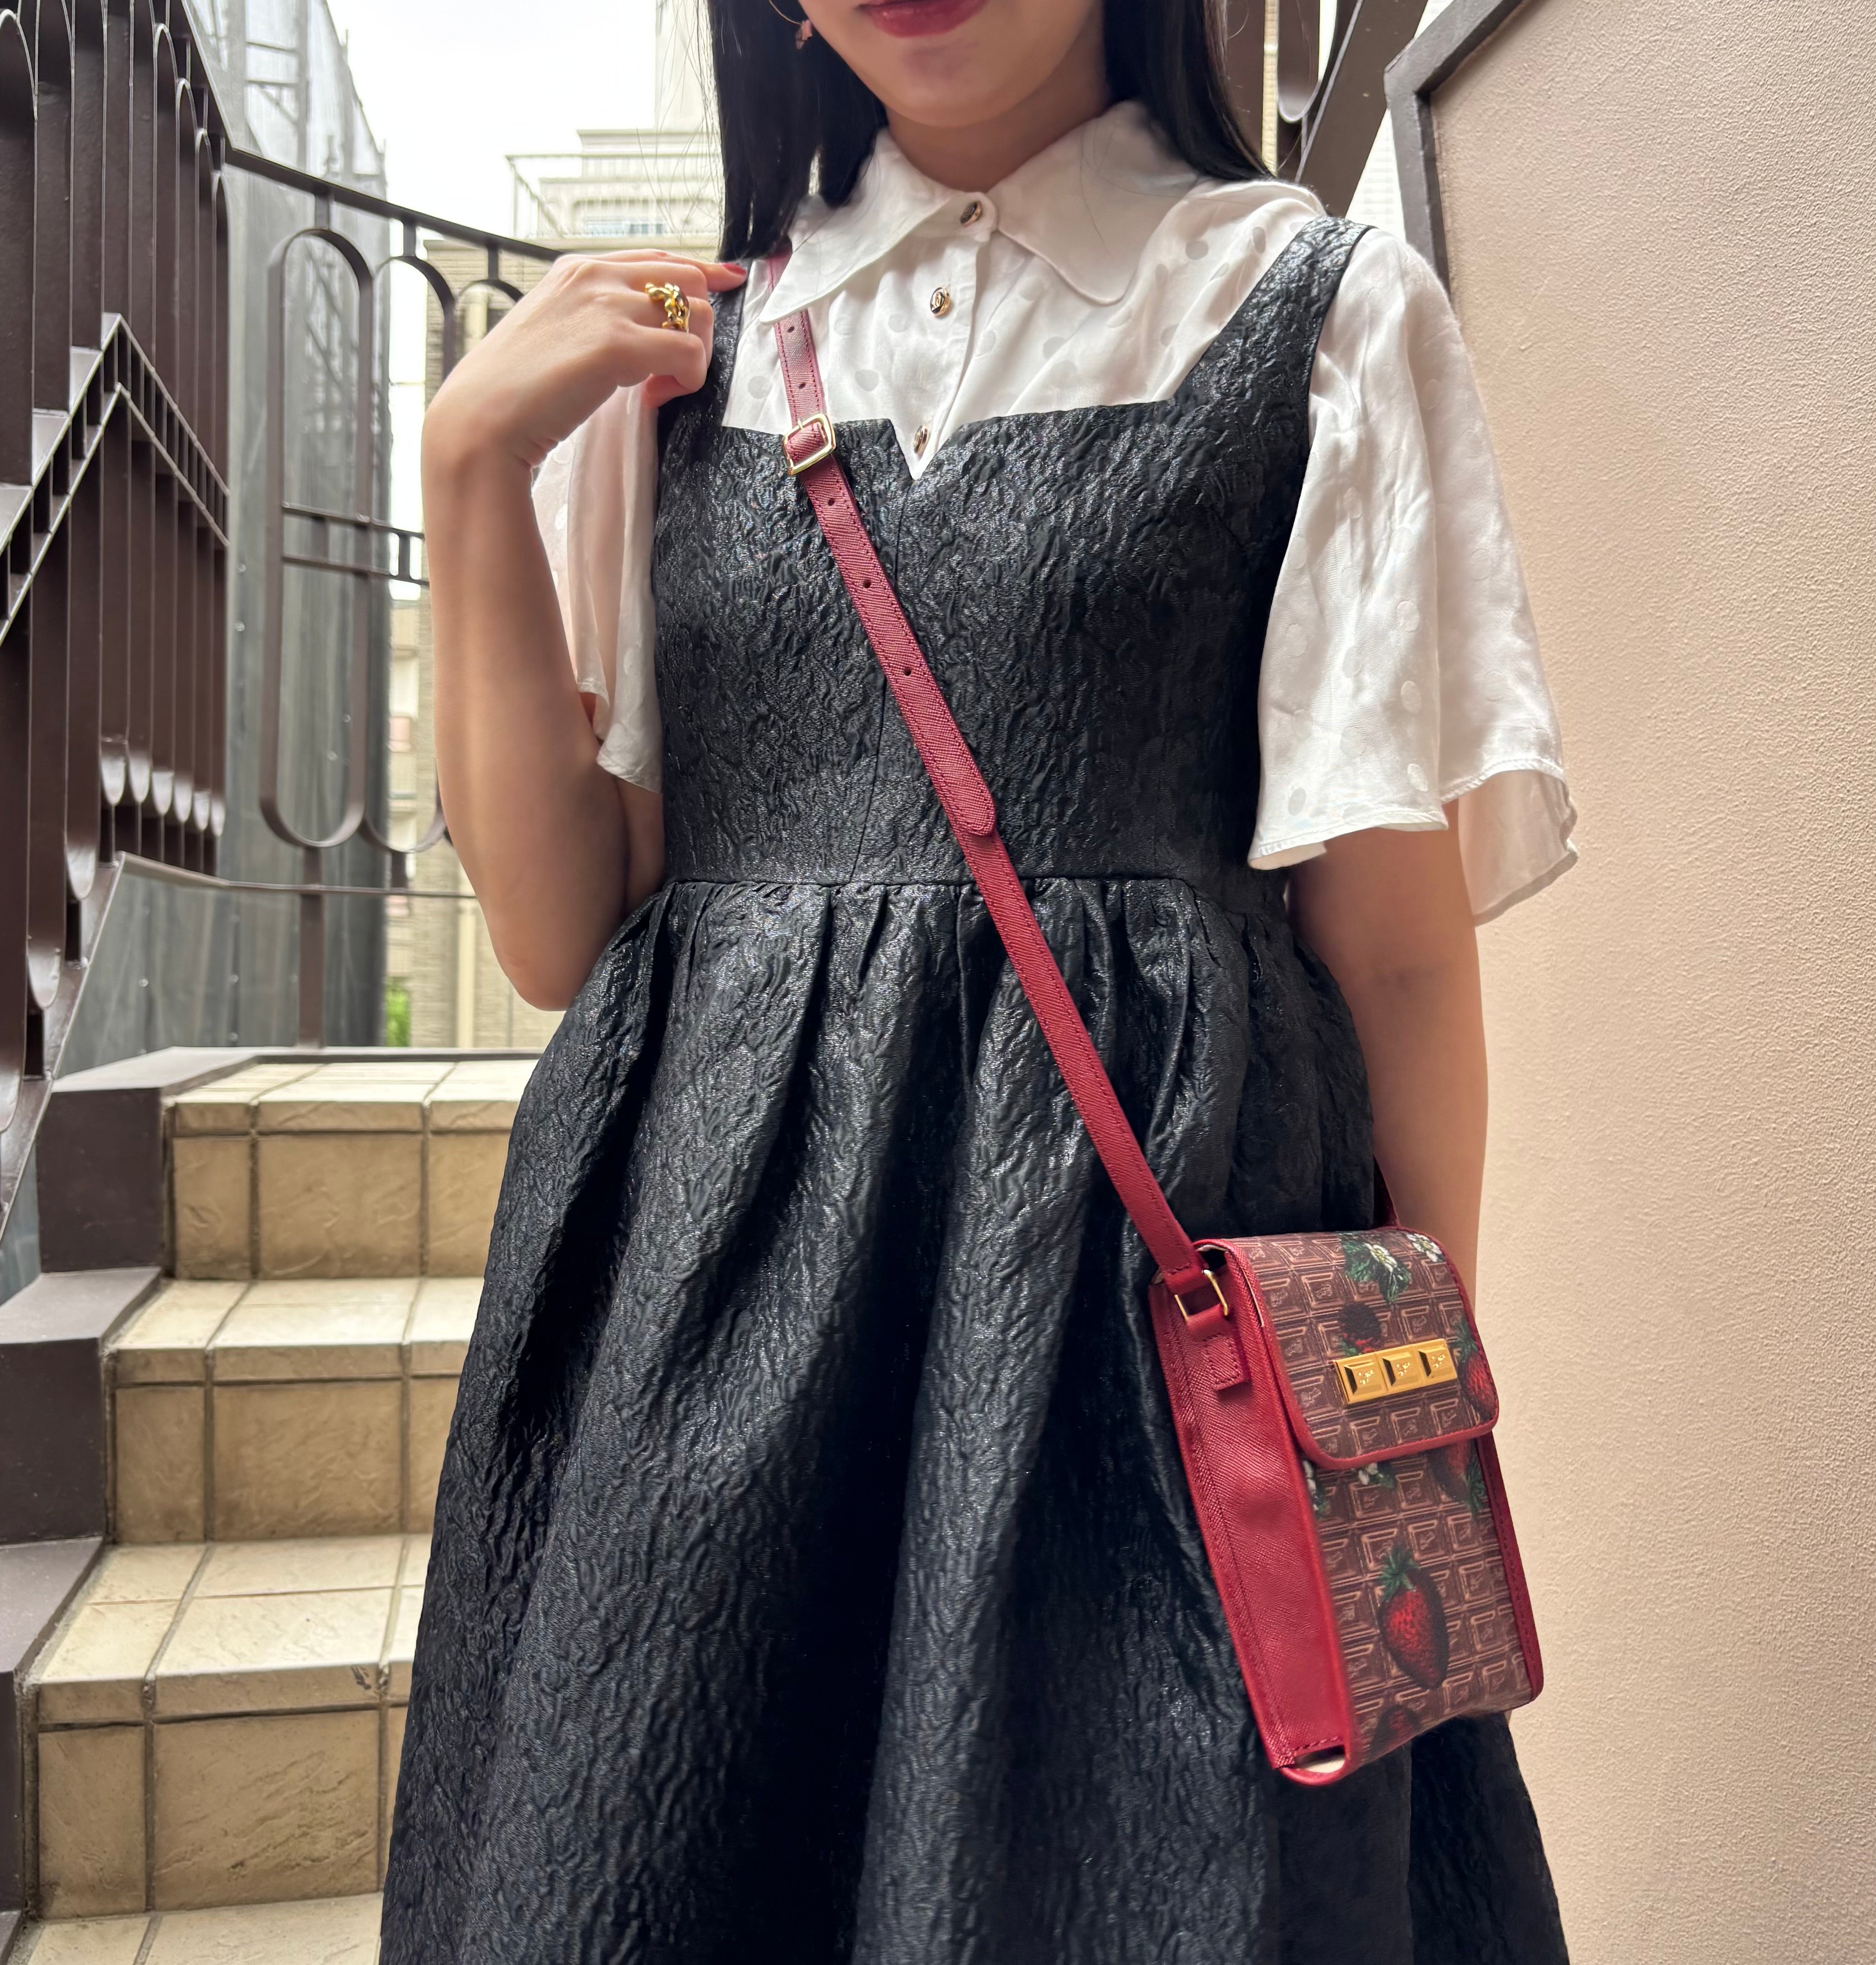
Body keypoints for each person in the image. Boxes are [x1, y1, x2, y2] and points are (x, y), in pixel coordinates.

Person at [380, 2, 1576, 1959]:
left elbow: (1392, 950)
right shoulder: (684, 355)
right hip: (712, 1334)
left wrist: (1389, 1404)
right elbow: (560, 929)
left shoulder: (1308, 309)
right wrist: (465, 470)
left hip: (1126, 1348)